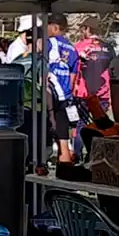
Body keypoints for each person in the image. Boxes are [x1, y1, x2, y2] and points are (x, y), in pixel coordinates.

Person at [46, 13, 80, 165]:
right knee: (63, 133)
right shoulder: (72, 49)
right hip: (65, 94)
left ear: (54, 27)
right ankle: (65, 165)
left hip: (50, 92)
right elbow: (73, 76)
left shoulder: (50, 42)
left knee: (47, 128)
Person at [74, 16, 114, 116]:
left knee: (81, 125)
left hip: (83, 94)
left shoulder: (79, 46)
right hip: (103, 94)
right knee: (100, 126)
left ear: (87, 29)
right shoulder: (109, 47)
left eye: (82, 29)